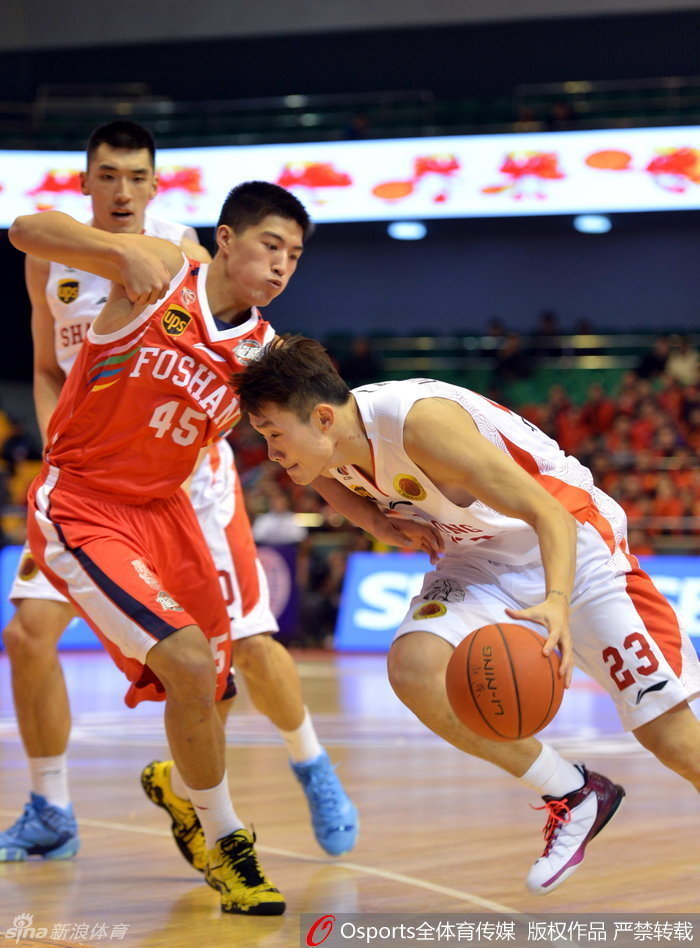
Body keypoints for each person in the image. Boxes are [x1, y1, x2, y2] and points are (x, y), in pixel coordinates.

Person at [1, 123, 358, 877]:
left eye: (136, 176)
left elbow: (303, 434)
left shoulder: (183, 253)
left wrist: (380, 507)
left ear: (157, 185)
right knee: (29, 635)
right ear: (87, 181)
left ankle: (304, 763)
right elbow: (41, 332)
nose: (122, 190)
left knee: (235, 656)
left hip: (185, 487)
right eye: (108, 175)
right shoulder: (79, 258)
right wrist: (64, 439)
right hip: (89, 482)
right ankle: (53, 808)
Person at [235, 335, 700, 896]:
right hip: (476, 556)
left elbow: (548, 513)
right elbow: (325, 474)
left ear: (323, 417)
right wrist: (377, 523)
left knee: (672, 738)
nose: (271, 452)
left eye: (274, 434)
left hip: (571, 545)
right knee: (414, 669)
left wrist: (556, 601)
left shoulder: (420, 425)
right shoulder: (328, 441)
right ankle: (575, 792)